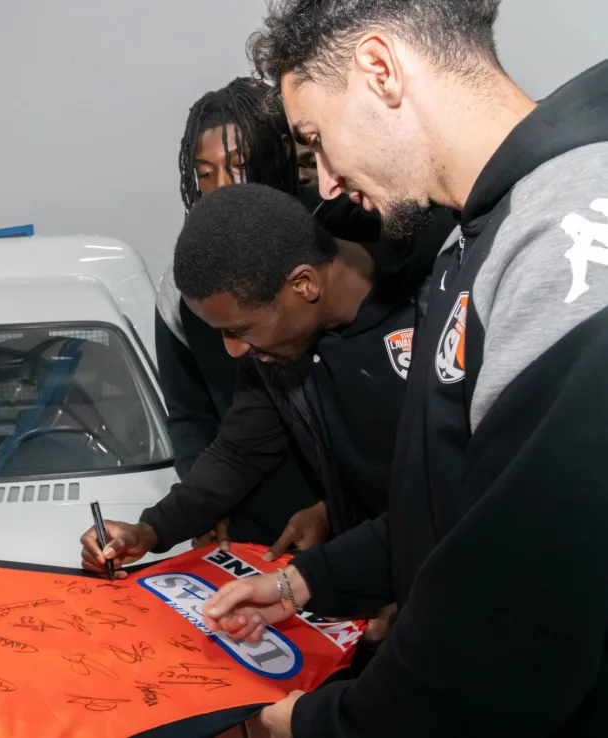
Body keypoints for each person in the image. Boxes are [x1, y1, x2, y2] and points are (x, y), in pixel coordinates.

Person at [203, 2, 608, 736]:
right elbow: (453, 502)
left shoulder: (565, 243)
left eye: (316, 140)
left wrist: (317, 724)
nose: (324, 182)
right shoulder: (475, 238)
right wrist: (307, 581)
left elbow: (513, 619)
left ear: (380, 70)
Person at [84, 183, 422, 593]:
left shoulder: (431, 316)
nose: (233, 350)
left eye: (240, 330)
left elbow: (452, 496)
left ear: (304, 285)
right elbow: (240, 452)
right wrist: (150, 530)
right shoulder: (280, 349)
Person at [157, 77, 320, 548]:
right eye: (205, 174)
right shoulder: (185, 285)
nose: (221, 188)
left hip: (350, 529)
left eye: (239, 167)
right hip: (244, 527)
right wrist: (204, 507)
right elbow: (189, 416)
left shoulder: (336, 256)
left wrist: (339, 508)